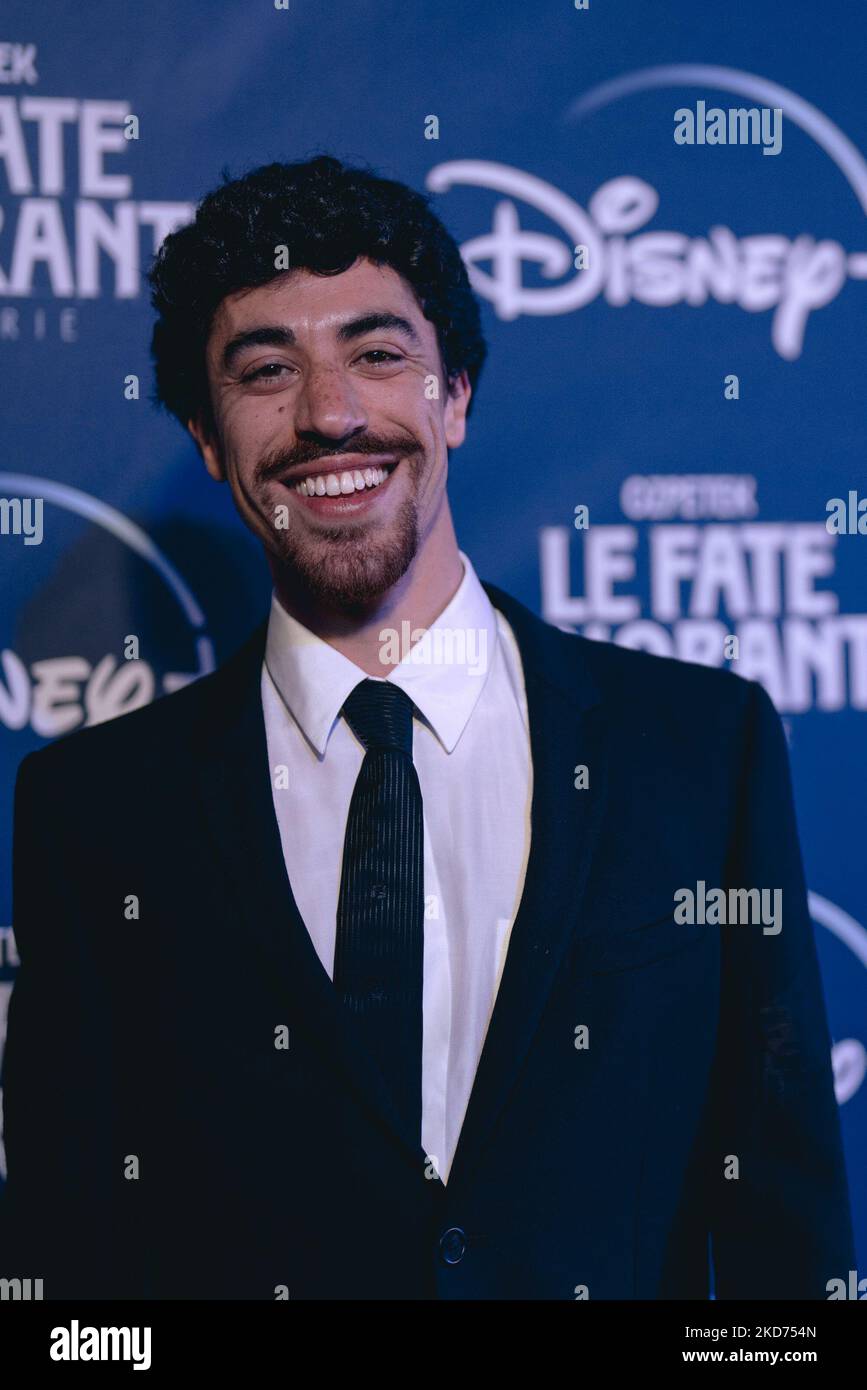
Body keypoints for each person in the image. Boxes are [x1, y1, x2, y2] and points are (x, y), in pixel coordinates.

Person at [1, 155, 854, 1300]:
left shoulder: (702, 748)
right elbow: (72, 1282)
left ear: (455, 393)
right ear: (208, 440)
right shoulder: (95, 811)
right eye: (267, 369)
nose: (330, 413)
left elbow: (784, 1252)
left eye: (378, 352)